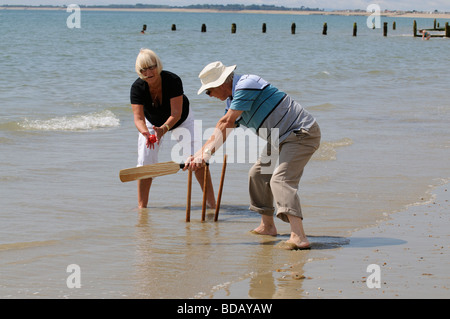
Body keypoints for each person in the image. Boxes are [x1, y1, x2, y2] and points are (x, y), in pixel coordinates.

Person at [185, 61, 321, 250]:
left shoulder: (246, 84)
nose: (209, 95)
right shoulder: (232, 101)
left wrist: (205, 155)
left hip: (300, 133)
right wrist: (199, 155)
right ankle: (267, 226)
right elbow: (223, 128)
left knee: (280, 181)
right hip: (278, 138)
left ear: (221, 83)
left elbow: (226, 122)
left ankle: (299, 236)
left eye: (209, 91)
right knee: (257, 174)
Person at [130, 49, 215, 209]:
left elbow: (176, 113)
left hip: (182, 119)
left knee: (197, 159)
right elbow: (138, 118)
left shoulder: (172, 80)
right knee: (144, 163)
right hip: (151, 124)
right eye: (143, 70)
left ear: (158, 65)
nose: (148, 72)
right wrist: (145, 133)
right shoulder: (137, 88)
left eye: (151, 67)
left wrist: (163, 129)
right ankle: (142, 209)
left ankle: (212, 204)